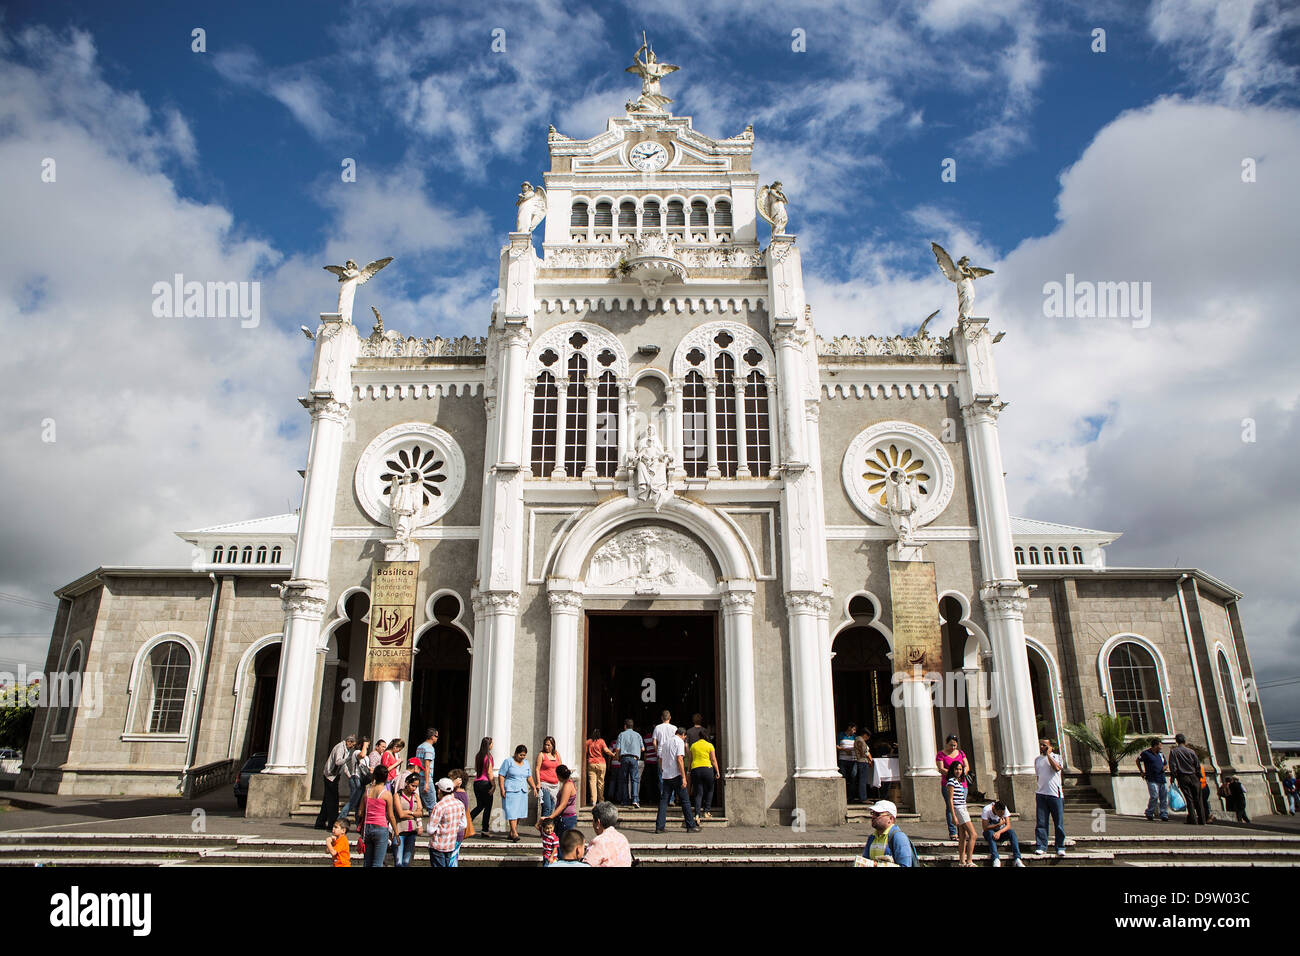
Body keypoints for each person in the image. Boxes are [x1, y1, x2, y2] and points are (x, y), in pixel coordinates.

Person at [656, 726, 700, 833]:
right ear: (683, 735)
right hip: (676, 775)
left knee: (663, 801)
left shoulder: (666, 743)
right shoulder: (679, 742)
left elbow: (660, 758)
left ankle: (659, 827)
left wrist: (663, 769)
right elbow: (680, 759)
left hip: (666, 776)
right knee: (685, 801)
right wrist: (684, 777)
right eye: (685, 737)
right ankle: (690, 825)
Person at [359, 764, 398, 867]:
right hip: (381, 828)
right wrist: (396, 833)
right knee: (377, 863)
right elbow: (390, 815)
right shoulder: (387, 794)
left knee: (367, 862)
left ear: (374, 776)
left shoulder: (367, 791)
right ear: (386, 777)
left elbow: (360, 812)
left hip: (367, 827)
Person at [315, 734, 356, 830]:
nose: (353, 747)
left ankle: (320, 822)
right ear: (348, 742)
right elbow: (338, 762)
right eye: (352, 745)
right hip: (330, 776)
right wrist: (348, 759)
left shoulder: (345, 749)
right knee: (333, 801)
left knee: (327, 801)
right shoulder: (340, 748)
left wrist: (349, 776)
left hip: (334, 776)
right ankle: (332, 824)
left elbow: (343, 765)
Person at [1034, 738, 1066, 856]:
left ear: (1050, 746)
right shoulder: (1037, 760)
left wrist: (1048, 755)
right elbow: (1038, 776)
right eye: (1040, 745)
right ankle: (1041, 845)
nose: (1041, 747)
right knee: (1041, 822)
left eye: (1044, 745)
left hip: (1055, 795)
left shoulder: (1057, 757)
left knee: (1058, 823)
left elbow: (1057, 768)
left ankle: (1060, 846)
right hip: (1041, 794)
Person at [499, 744, 538, 842]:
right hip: (511, 790)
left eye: (524, 755)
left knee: (519, 812)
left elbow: (529, 776)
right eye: (521, 755)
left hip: (522, 790)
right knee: (512, 811)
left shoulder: (526, 763)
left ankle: (512, 832)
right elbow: (501, 775)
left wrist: (534, 787)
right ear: (516, 753)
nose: (522, 757)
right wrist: (502, 788)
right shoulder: (508, 761)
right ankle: (514, 833)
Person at [426, 777, 467, 867]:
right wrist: (452, 829)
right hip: (450, 844)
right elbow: (463, 825)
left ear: (439, 791)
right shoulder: (459, 804)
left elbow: (430, 830)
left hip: (438, 845)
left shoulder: (439, 806)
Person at [861, 800, 915, 867]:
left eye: (878, 814)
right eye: (872, 813)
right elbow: (865, 861)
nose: (873, 817)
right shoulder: (872, 838)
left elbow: (905, 865)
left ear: (891, 818)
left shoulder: (899, 837)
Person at [935, 734, 969, 839]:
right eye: (951, 745)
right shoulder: (941, 754)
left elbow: (966, 766)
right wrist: (953, 774)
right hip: (948, 784)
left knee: (962, 806)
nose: (953, 747)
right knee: (951, 807)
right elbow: (941, 768)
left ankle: (962, 830)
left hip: (962, 784)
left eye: (955, 745)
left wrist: (962, 773)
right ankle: (953, 831)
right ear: (946, 743)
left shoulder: (961, 753)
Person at [1168, 734, 1205, 825]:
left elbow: (1173, 766)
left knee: (1189, 799)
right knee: (1198, 799)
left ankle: (1193, 819)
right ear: (1184, 740)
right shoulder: (1191, 751)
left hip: (1183, 777)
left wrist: (1173, 776)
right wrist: (1199, 775)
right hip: (1194, 776)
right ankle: (1202, 819)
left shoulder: (1174, 752)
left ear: (1176, 741)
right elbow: (1197, 764)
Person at [946, 763, 977, 866]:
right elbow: (950, 800)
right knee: (973, 835)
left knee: (963, 836)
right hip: (959, 809)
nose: (958, 771)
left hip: (963, 808)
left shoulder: (959, 782)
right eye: (956, 769)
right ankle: (969, 860)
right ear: (952, 770)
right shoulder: (951, 781)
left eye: (960, 769)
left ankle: (962, 861)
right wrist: (953, 815)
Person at [585, 801, 632, 867]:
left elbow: (587, 864)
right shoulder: (622, 838)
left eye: (593, 820)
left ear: (598, 822)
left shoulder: (599, 842)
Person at [537, 765, 580, 835]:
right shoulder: (568, 783)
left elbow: (563, 805)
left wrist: (550, 817)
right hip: (563, 817)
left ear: (559, 775)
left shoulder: (567, 786)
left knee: (563, 842)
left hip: (566, 818)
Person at [980, 800, 1025, 867]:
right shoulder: (986, 809)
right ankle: (996, 859)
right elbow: (985, 828)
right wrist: (998, 825)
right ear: (994, 809)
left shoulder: (1004, 808)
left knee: (1012, 832)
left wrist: (999, 832)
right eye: (1000, 814)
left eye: (1003, 814)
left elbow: (1008, 825)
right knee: (990, 833)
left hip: (1000, 832)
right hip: (989, 833)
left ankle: (1017, 858)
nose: (1001, 815)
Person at [393, 773, 424, 867]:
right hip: (400, 831)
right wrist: (414, 813)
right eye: (412, 785)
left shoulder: (416, 796)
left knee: (406, 862)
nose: (414, 788)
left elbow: (420, 813)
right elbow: (400, 814)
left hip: (412, 831)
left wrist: (410, 813)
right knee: (399, 862)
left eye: (416, 786)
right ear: (407, 783)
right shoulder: (398, 795)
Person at [689, 729, 720, 820]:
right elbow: (713, 760)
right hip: (707, 769)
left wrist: (689, 771)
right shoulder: (710, 745)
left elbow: (690, 759)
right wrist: (717, 771)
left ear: (699, 736)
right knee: (710, 790)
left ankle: (697, 814)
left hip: (696, 769)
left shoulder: (693, 746)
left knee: (698, 793)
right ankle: (706, 811)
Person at [1137, 738, 1169, 822]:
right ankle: (1149, 812)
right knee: (1154, 796)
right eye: (1160, 745)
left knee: (1163, 797)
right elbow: (1138, 760)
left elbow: (1166, 764)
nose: (1161, 747)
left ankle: (1164, 814)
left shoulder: (1161, 755)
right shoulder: (1146, 753)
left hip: (1162, 779)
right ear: (1155, 745)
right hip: (1152, 778)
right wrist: (1141, 772)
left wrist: (1165, 768)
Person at [470, 737, 496, 836]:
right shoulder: (489, 757)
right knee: (488, 807)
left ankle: (468, 821)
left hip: (477, 782)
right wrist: (493, 785)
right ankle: (485, 829)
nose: (492, 745)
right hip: (485, 783)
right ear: (489, 745)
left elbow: (476, 768)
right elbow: (489, 772)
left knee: (480, 805)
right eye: (492, 743)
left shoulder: (478, 756)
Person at [615, 720, 644, 808]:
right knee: (635, 779)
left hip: (624, 758)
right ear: (632, 726)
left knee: (624, 780)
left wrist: (617, 757)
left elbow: (617, 749)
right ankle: (635, 799)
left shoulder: (621, 734)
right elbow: (643, 749)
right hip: (634, 758)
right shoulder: (638, 735)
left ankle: (625, 800)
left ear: (625, 726)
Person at [341, 736, 369, 822]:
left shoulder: (365, 755)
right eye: (366, 745)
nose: (367, 747)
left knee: (358, 804)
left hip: (361, 780)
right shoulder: (357, 752)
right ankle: (340, 820)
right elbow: (362, 755)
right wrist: (364, 744)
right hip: (356, 779)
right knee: (352, 802)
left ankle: (358, 823)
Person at [585, 730, 616, 807]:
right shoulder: (601, 741)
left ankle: (593, 801)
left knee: (592, 782)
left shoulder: (588, 742)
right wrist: (613, 755)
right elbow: (606, 751)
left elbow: (585, 752)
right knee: (601, 782)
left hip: (591, 763)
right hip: (601, 763)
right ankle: (601, 800)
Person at [652, 711, 676, 804]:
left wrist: (656, 751)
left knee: (662, 776)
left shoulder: (657, 727)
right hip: (671, 754)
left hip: (661, 754)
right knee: (672, 775)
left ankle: (664, 798)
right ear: (670, 718)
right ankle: (671, 799)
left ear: (662, 718)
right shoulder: (674, 728)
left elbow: (654, 741)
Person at [535, 736, 562, 817]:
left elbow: (560, 767)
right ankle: (544, 826)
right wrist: (538, 783)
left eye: (548, 745)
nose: (546, 747)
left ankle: (548, 827)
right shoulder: (541, 755)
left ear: (553, 745)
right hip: (544, 784)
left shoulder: (557, 754)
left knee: (552, 808)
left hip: (555, 785)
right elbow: (537, 769)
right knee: (547, 807)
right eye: (545, 745)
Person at [448, 769, 470, 867]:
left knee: (451, 859)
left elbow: (446, 797)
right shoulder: (461, 794)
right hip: (455, 832)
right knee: (453, 857)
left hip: (455, 831)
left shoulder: (458, 795)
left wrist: (452, 786)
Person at [415, 727, 439, 810]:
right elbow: (427, 765)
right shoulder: (429, 748)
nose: (437, 738)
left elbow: (416, 764)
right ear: (432, 736)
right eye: (436, 736)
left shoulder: (420, 747)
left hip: (419, 778)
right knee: (432, 806)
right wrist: (427, 783)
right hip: (426, 778)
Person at [837, 723, 858, 801]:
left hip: (853, 760)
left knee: (853, 777)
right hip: (843, 759)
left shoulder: (855, 737)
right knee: (843, 777)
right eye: (854, 729)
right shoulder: (840, 735)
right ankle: (843, 795)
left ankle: (851, 797)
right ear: (849, 728)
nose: (854, 731)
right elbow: (836, 745)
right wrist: (844, 750)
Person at [854, 728, 874, 804]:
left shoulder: (860, 740)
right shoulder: (860, 740)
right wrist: (869, 759)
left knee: (863, 780)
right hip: (862, 761)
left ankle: (863, 796)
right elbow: (863, 752)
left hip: (863, 761)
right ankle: (863, 798)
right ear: (865, 735)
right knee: (863, 780)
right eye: (867, 737)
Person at [642, 727, 659, 806]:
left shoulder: (644, 738)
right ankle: (657, 797)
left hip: (648, 762)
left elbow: (644, 752)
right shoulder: (656, 738)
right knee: (656, 780)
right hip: (656, 761)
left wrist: (645, 761)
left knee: (648, 781)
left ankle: (649, 798)